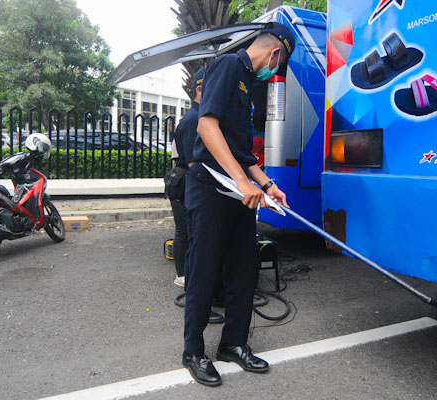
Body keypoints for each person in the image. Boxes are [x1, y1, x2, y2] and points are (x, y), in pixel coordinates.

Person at [182, 22, 295, 387]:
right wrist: (245, 181)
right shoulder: (229, 66)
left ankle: (233, 343)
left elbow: (243, 153)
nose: (275, 71)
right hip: (211, 189)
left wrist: (268, 184)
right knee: (204, 270)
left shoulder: (248, 84)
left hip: (239, 194)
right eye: (280, 64)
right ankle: (194, 351)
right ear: (276, 53)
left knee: (245, 269)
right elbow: (207, 126)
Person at [168, 67, 224, 324]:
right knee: (188, 236)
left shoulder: (200, 117)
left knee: (194, 238)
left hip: (194, 186)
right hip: (188, 186)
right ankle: (189, 284)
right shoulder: (193, 121)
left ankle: (203, 291)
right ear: (200, 90)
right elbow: (193, 162)